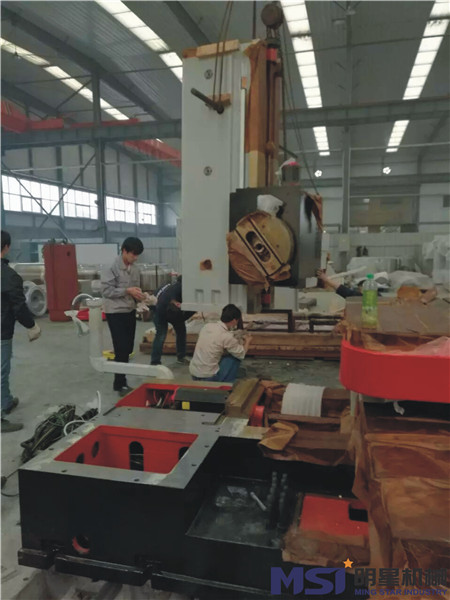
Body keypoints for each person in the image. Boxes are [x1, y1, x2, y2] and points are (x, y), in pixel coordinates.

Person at [1, 230, 41, 433]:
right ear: (7, 247)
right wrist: (31, 326)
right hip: (1, 331)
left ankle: (6, 401)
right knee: (1, 372)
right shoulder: (9, 276)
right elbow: (18, 306)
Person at [101, 237, 145, 395]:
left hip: (129, 310)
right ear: (124, 251)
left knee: (128, 347)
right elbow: (106, 291)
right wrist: (127, 291)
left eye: (137, 255)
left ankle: (122, 380)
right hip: (115, 312)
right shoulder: (111, 267)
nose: (136, 257)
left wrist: (141, 297)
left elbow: (136, 289)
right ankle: (119, 384)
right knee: (121, 348)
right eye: (133, 254)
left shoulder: (135, 269)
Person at [189, 304, 252, 383]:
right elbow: (242, 354)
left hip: (194, 374)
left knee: (222, 353)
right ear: (234, 321)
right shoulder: (227, 337)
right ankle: (227, 384)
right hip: (208, 378)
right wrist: (248, 341)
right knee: (235, 357)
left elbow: (215, 340)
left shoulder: (207, 326)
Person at [151, 276, 194, 366]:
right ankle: (155, 362)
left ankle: (179, 357)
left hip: (160, 308)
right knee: (161, 334)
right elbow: (173, 302)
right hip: (161, 310)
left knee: (180, 331)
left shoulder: (171, 286)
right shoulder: (179, 288)